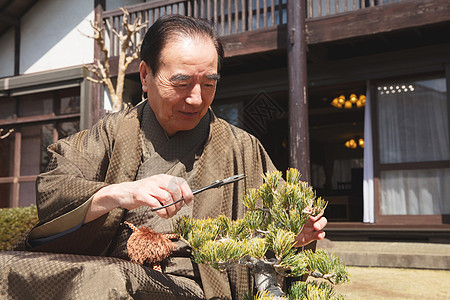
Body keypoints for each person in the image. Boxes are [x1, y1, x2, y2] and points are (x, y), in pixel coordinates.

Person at [2, 15, 326, 299]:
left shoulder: (242, 148)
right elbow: (55, 187)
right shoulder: (113, 133)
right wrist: (116, 193)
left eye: (209, 84)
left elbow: (271, 244)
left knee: (106, 280)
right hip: (111, 267)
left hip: (193, 288)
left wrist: (293, 239)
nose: (196, 99)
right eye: (181, 82)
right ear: (145, 76)